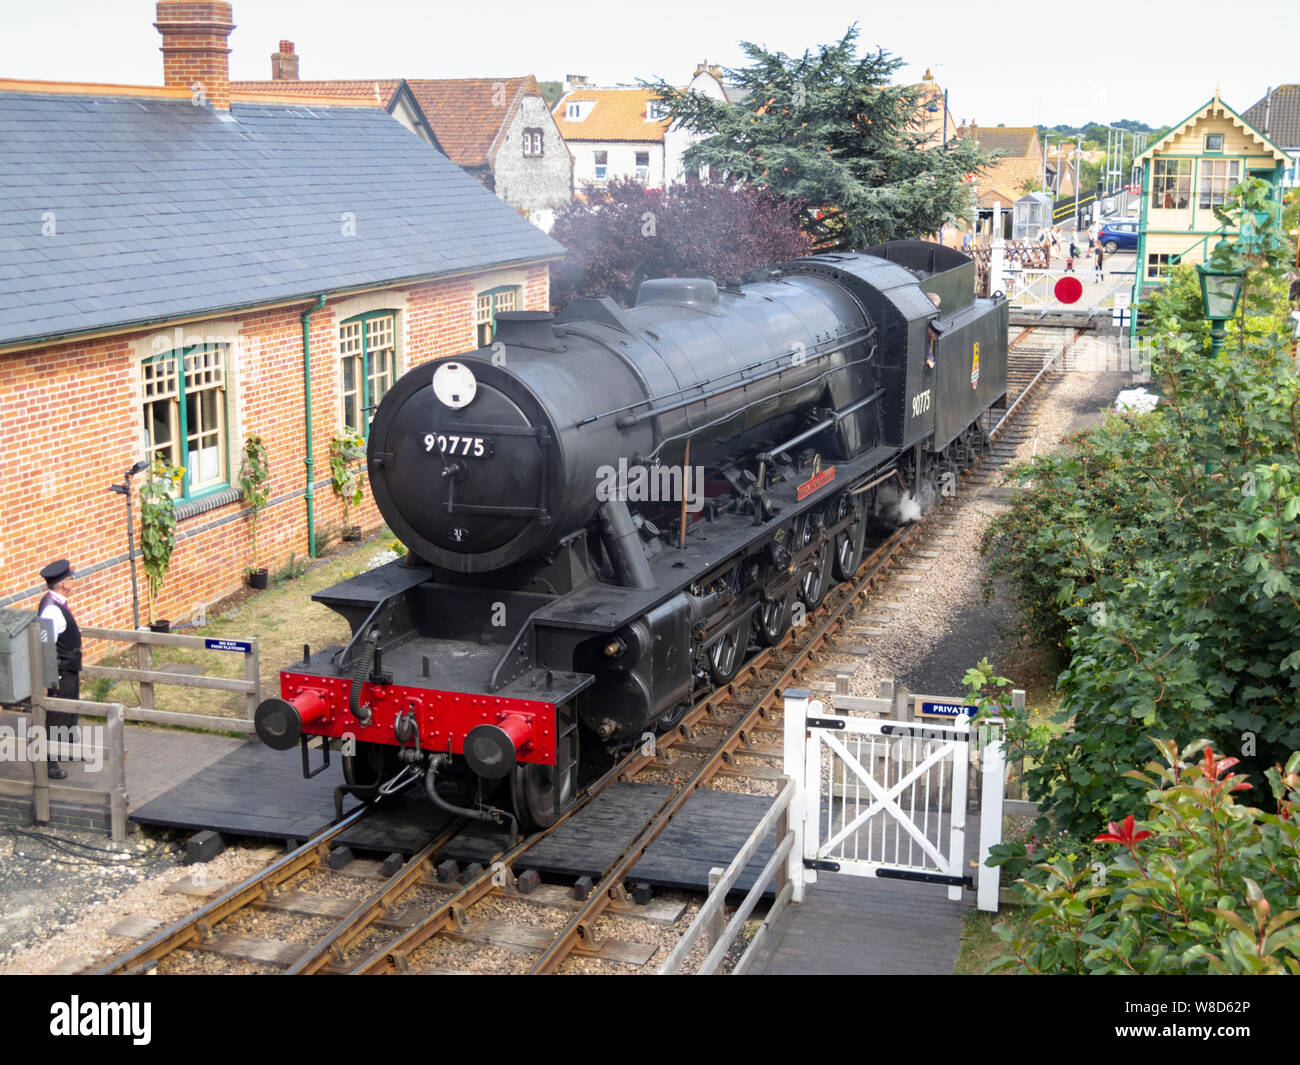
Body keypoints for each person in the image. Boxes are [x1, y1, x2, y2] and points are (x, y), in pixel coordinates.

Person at [37, 559, 80, 779]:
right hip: (61, 670)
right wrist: (54, 675)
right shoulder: (52, 610)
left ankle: (70, 750)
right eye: (70, 578)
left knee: (71, 709)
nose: (72, 580)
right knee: (57, 715)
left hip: (69, 667)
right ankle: (49, 762)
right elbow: (47, 646)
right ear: (65, 583)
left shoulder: (55, 602)